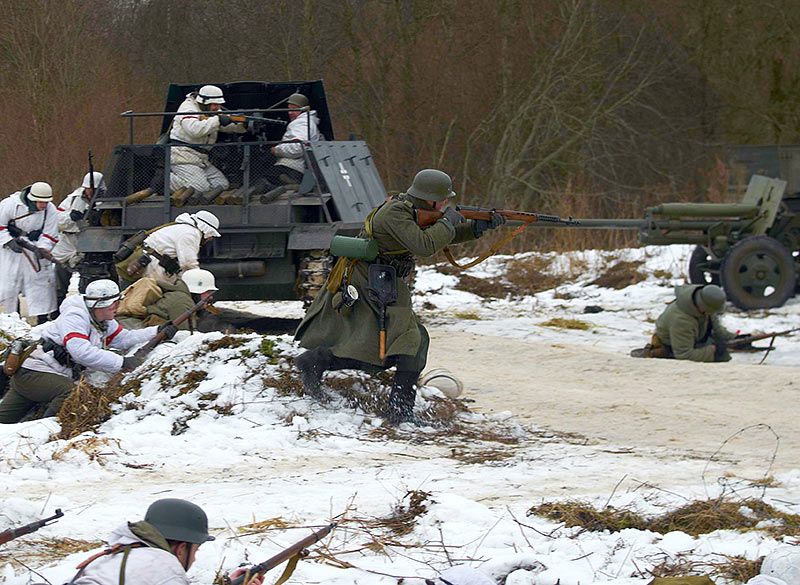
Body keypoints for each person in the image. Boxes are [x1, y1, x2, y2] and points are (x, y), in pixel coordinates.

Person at [293, 169, 506, 424]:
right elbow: (424, 245)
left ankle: (317, 363)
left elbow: (435, 235)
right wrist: (448, 222)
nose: (445, 203)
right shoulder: (396, 212)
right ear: (431, 198)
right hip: (369, 280)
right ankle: (398, 410)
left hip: (384, 279)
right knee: (405, 343)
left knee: (396, 347)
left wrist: (475, 229)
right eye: (443, 199)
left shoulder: (412, 210)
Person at [0, 279, 177, 424]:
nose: (118, 306)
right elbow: (81, 353)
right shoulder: (75, 317)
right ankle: (46, 430)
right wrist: (122, 362)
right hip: (35, 372)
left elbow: (124, 339)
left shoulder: (103, 319)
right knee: (70, 394)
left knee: (4, 421)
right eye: (114, 303)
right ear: (99, 305)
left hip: (36, 376)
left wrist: (157, 331)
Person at [169, 84, 246, 193]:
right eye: (215, 104)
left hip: (201, 158)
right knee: (200, 188)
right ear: (204, 102)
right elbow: (195, 130)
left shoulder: (210, 110)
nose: (217, 108)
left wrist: (242, 126)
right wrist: (218, 120)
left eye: (219, 104)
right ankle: (165, 180)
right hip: (183, 156)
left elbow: (220, 125)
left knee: (221, 184)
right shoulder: (188, 108)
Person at [0, 182, 59, 323]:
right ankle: (11, 318)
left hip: (35, 247)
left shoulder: (50, 210)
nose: (44, 205)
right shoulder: (9, 204)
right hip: (10, 252)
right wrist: (8, 241)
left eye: (46, 202)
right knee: (9, 285)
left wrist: (43, 248)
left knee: (41, 286)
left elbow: (50, 233)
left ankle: (42, 319)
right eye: (41, 202)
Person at [630, 284, 734, 362]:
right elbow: (684, 355)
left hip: (695, 339)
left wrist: (735, 338)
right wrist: (713, 351)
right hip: (674, 347)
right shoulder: (682, 320)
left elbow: (717, 330)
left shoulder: (702, 304)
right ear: (702, 306)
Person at [51, 171, 105, 309]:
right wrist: (71, 217)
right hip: (67, 241)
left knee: (87, 278)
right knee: (60, 277)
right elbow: (56, 219)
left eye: (93, 189)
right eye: (88, 188)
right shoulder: (73, 199)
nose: (90, 192)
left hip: (90, 243)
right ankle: (56, 309)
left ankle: (84, 308)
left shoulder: (107, 201)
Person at [128, 210, 221, 285]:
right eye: (211, 235)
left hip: (150, 260)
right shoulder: (190, 233)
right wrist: (199, 280)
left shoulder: (183, 228)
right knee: (161, 292)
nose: (210, 238)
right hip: (152, 264)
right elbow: (188, 263)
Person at [116, 268, 218, 331]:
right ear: (196, 291)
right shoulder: (182, 301)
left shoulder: (180, 296)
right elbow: (184, 335)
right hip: (132, 328)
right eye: (207, 292)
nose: (211, 297)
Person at [264, 93, 323, 189]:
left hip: (292, 168)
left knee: (264, 181)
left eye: (294, 109)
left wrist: (277, 150)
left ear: (303, 110)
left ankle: (292, 184)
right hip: (296, 168)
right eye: (289, 109)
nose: (290, 113)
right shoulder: (308, 122)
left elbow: (298, 147)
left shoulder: (302, 123)